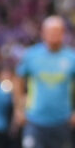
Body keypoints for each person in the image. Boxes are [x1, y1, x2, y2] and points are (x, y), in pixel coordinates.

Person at [14, 16, 75, 148]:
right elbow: (18, 80)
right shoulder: (31, 55)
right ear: (43, 33)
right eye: (50, 31)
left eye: (57, 31)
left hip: (62, 120)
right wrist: (19, 108)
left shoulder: (71, 58)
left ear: (63, 33)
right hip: (35, 120)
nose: (53, 35)